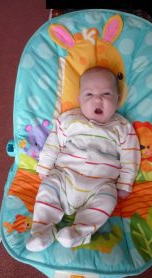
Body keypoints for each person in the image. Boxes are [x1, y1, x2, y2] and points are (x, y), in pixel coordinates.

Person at [26, 66, 141, 252]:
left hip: (100, 185)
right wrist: (44, 167)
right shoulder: (69, 120)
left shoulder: (122, 127)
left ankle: (78, 233)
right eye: (89, 94)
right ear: (79, 99)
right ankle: (42, 230)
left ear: (118, 99)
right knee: (48, 189)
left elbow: (131, 156)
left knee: (108, 200)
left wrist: (125, 184)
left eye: (106, 93)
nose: (98, 99)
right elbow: (52, 143)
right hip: (65, 177)